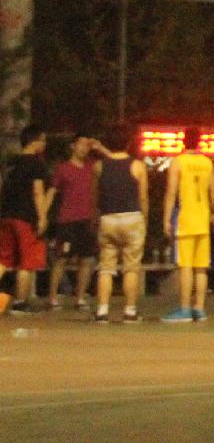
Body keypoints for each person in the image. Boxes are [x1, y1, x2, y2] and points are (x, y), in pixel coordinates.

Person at [162, 130, 214, 324]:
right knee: (201, 268)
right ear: (199, 142)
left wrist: (166, 219)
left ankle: (184, 308)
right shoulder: (207, 162)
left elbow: (171, 192)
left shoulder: (178, 162)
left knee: (186, 266)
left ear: (183, 141)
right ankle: (199, 308)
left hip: (185, 219)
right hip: (203, 219)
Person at [91, 127, 149, 323]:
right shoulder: (138, 166)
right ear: (129, 143)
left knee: (106, 267)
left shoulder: (99, 166)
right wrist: (145, 219)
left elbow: (94, 196)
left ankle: (102, 310)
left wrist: (95, 217)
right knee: (131, 267)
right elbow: (143, 197)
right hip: (132, 218)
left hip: (107, 218)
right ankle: (130, 311)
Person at [0, 125, 51, 315]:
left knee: (3, 259)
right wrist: (42, 217)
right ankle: (20, 303)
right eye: (42, 140)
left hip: (6, 215)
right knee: (27, 262)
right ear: (34, 141)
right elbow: (38, 192)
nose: (44, 144)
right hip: (26, 217)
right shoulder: (36, 164)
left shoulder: (11, 163)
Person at [46, 134, 99, 311]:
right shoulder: (63, 168)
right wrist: (43, 214)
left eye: (87, 145)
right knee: (61, 259)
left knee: (87, 259)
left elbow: (114, 160)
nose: (84, 148)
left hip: (87, 220)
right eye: (81, 144)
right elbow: (52, 191)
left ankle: (80, 298)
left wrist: (99, 147)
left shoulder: (93, 167)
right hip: (67, 221)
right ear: (73, 146)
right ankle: (52, 298)